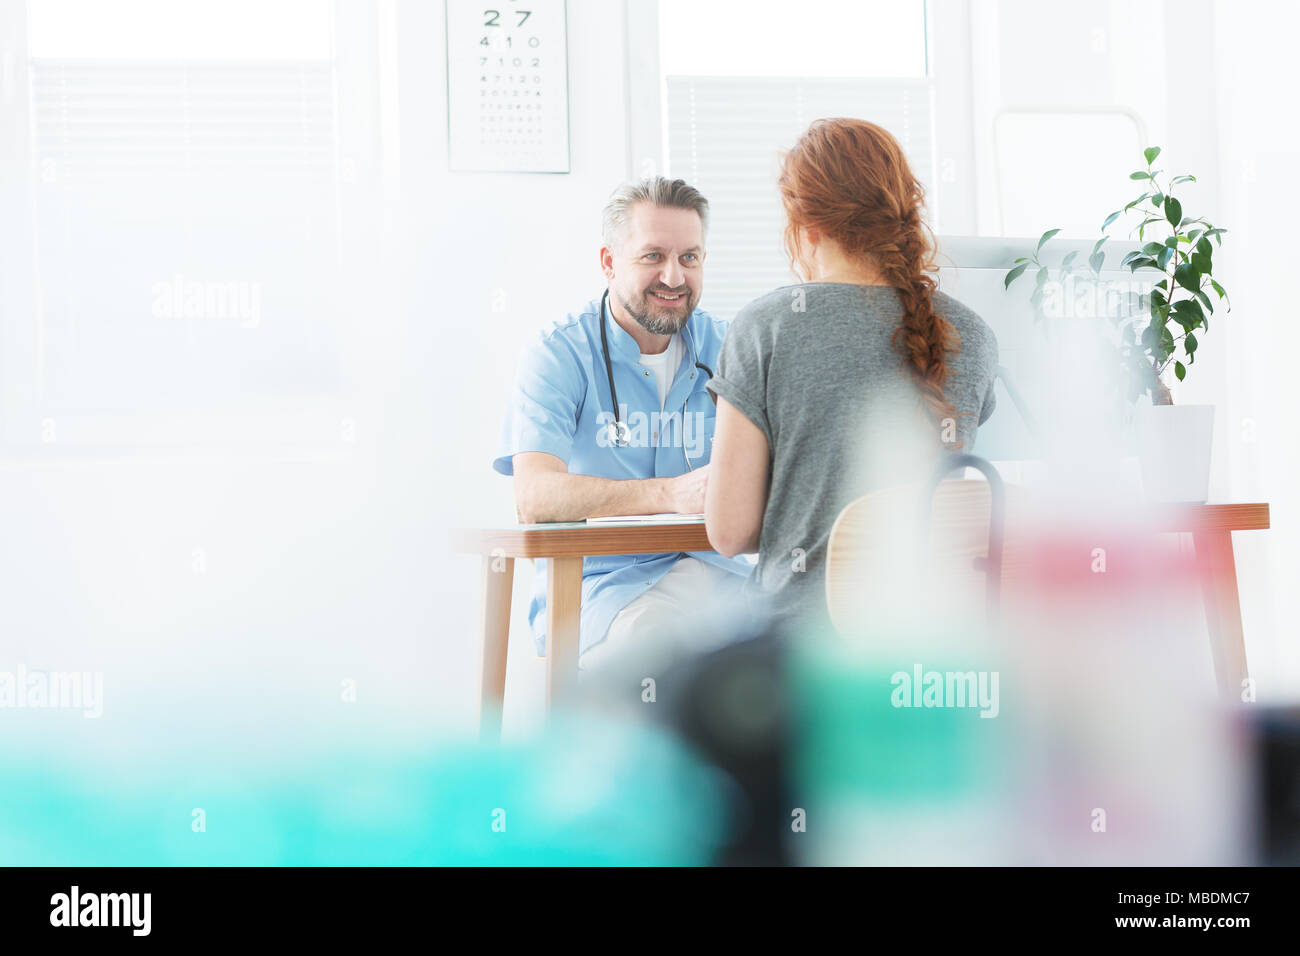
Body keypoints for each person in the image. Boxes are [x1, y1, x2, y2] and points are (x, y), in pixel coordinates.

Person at [703, 118, 1000, 631]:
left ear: (806, 226)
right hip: (936, 651)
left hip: (799, 655)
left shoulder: (765, 327)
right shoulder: (972, 334)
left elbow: (730, 532)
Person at [493, 177, 751, 669]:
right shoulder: (558, 353)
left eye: (690, 258)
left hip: (724, 579)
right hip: (604, 587)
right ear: (610, 263)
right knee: (659, 658)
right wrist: (670, 494)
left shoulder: (732, 347)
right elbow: (536, 498)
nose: (674, 278)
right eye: (653, 256)